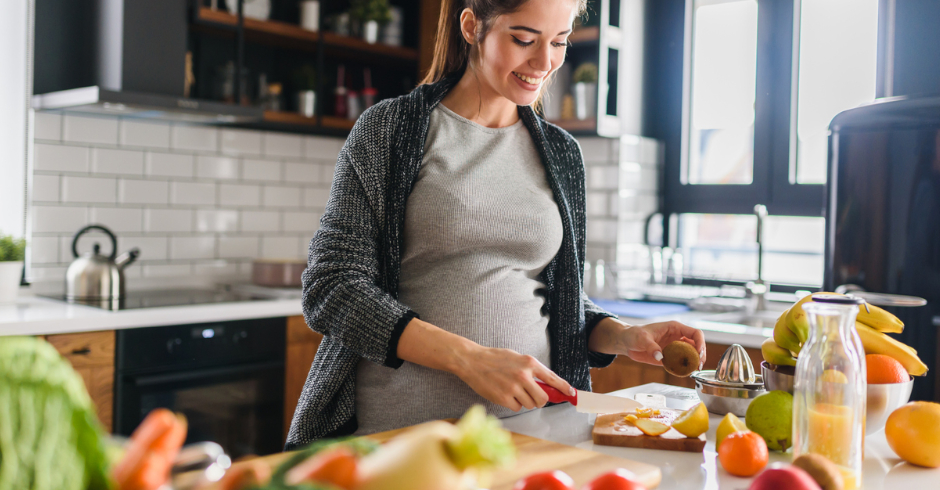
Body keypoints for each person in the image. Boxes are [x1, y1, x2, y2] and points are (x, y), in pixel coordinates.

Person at [285, 0, 706, 448]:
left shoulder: (562, 154)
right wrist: (469, 359)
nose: (544, 62)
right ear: (472, 26)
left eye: (559, 42)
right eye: (523, 39)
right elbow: (332, 287)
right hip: (402, 437)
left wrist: (622, 336)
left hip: (529, 435)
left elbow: (559, 301)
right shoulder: (391, 129)